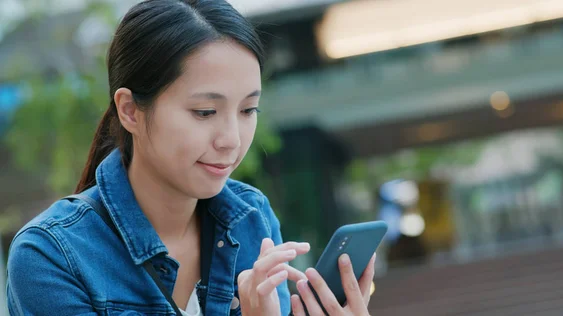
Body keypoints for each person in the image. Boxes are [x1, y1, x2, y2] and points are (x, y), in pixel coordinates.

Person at [6, 1, 376, 315]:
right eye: (204, 112)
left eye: (248, 110)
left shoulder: (251, 217)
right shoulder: (51, 255)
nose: (232, 140)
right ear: (131, 110)